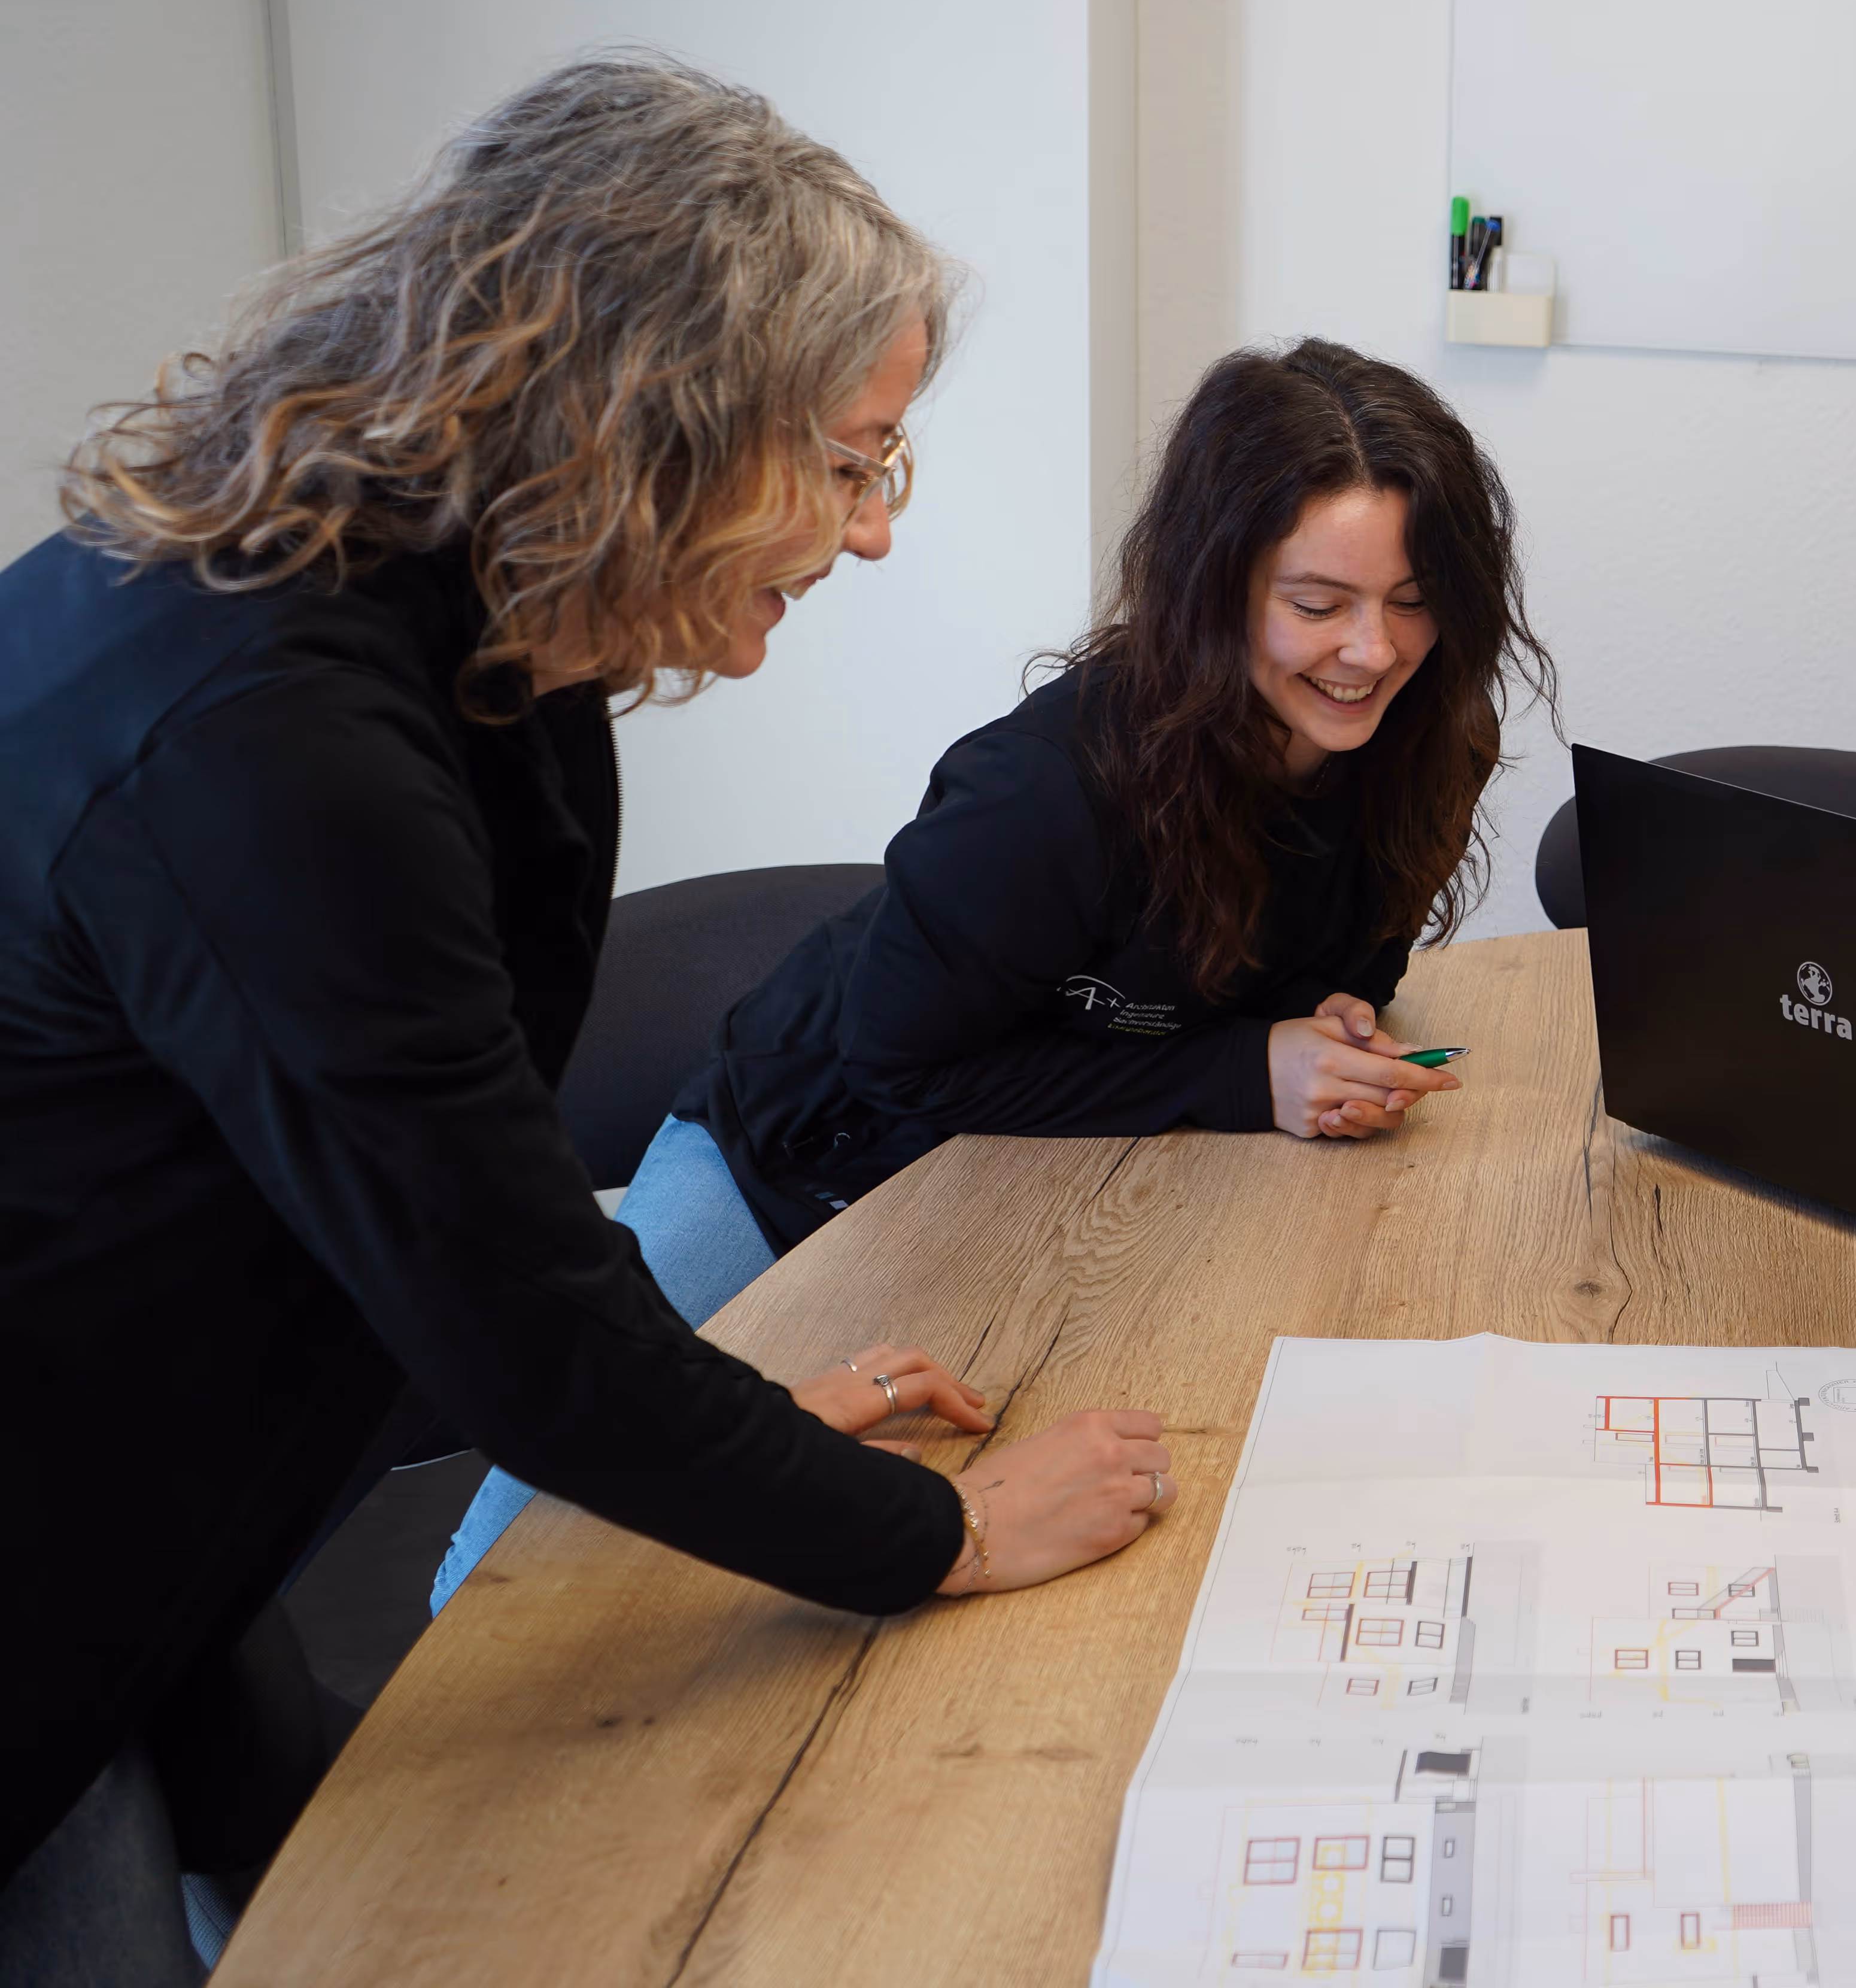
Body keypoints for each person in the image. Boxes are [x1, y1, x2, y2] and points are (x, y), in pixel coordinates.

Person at [0, 58, 1174, 1980]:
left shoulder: (473, 639)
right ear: (658, 418)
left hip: (155, 1506)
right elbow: (511, 1311)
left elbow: (477, 1195)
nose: (870, 534)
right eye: (852, 460)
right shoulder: (267, 739)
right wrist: (939, 1536)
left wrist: (728, 1414)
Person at [433, 338, 1553, 1602]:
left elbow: (1320, 969)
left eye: (1414, 599)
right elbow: (902, 1064)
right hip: (808, 1154)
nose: (1372, 651)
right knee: (509, 1565)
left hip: (1061, 1192)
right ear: (1214, 583)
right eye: (1318, 602)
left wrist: (1323, 1024)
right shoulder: (1040, 789)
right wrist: (1246, 1068)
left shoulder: (1422, 743)